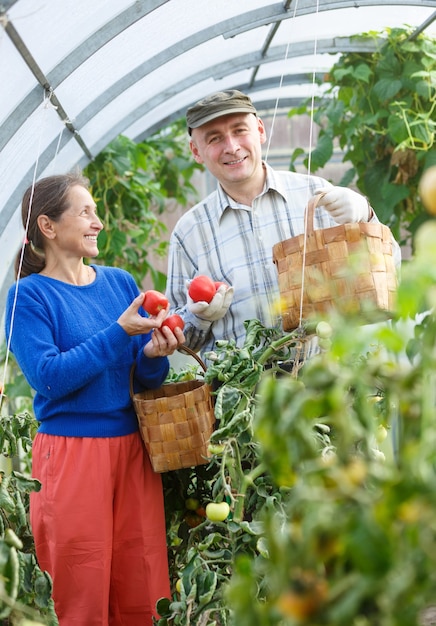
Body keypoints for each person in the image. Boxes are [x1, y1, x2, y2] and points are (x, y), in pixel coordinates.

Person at [4, 173, 185, 626]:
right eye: (85, 212)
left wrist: (152, 355)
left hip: (133, 450)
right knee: (77, 591)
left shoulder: (120, 283)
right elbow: (48, 378)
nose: (98, 222)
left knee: (142, 587)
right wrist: (119, 332)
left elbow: (142, 377)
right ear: (48, 226)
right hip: (72, 454)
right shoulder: (28, 296)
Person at [165, 89, 401, 359]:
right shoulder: (190, 232)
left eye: (240, 130)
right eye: (214, 138)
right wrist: (199, 316)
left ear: (260, 131)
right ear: (196, 151)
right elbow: (181, 341)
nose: (231, 146)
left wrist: (365, 216)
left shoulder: (315, 196)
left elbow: (390, 272)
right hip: (244, 396)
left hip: (331, 386)